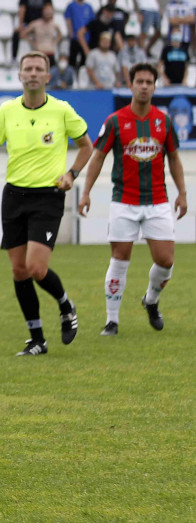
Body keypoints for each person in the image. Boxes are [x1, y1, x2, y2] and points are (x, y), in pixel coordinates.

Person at [0, 51, 93, 356]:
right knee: (19, 271)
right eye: (27, 68)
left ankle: (66, 304)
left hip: (48, 196)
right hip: (14, 195)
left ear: (48, 76)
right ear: (19, 75)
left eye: (39, 69)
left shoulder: (62, 110)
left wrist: (72, 174)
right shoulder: (7, 110)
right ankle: (37, 339)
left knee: (37, 268)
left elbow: (86, 146)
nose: (32, 73)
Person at [78, 63, 188, 336]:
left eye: (149, 82)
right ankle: (112, 321)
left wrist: (182, 193)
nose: (144, 86)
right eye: (139, 81)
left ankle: (151, 300)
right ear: (131, 85)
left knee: (165, 261)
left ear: (154, 86)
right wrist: (86, 191)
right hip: (124, 201)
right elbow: (99, 157)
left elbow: (174, 158)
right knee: (120, 257)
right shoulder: (115, 120)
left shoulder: (164, 121)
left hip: (158, 201)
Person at [65, 0, 95, 69]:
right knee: (72, 60)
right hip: (75, 38)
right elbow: (68, 19)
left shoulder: (88, 7)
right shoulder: (71, 5)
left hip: (86, 39)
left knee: (84, 61)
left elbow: (92, 22)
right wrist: (71, 33)